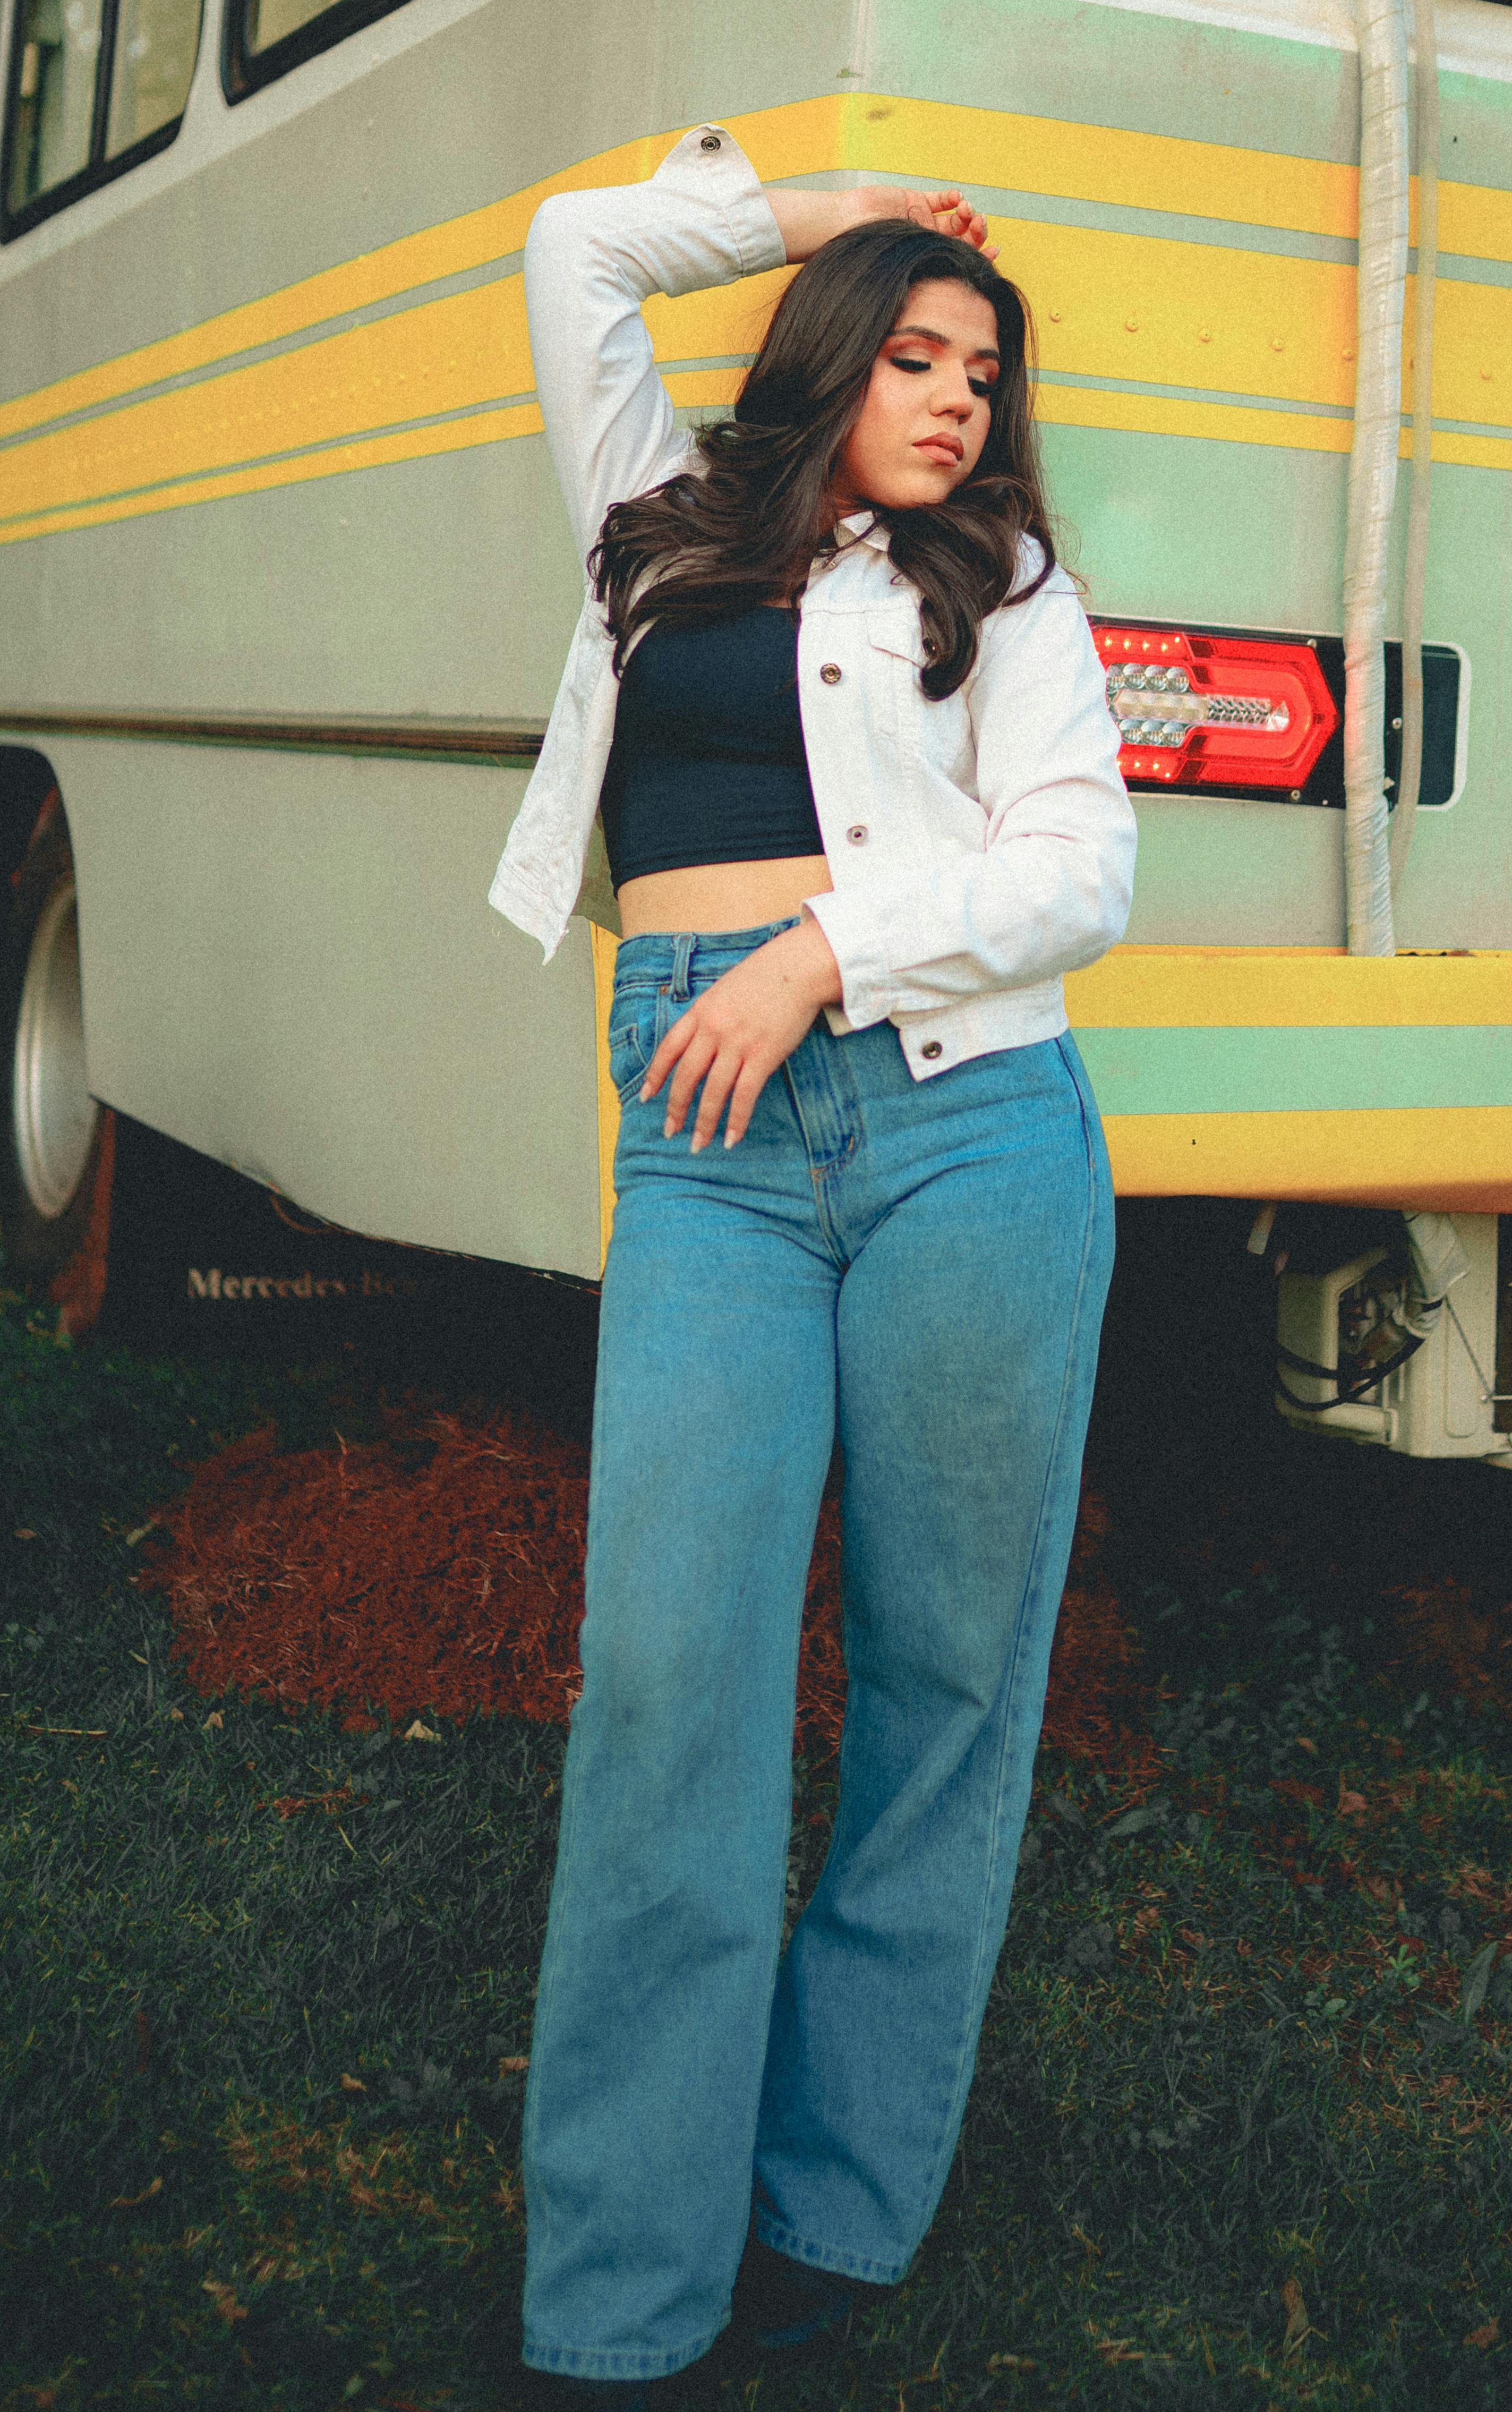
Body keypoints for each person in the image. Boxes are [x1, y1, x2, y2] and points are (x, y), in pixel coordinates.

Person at [489, 122, 1138, 2401]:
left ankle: (836, 2214)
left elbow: (1077, 868)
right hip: (707, 1140)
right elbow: (576, 243)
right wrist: (829, 199)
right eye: (921, 351)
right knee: (674, 1680)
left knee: (947, 1683)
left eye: (987, 369)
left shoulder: (1008, 587)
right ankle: (617, 2297)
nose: (959, 396)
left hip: (969, 1126)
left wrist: (820, 952)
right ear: (838, 352)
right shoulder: (657, 515)